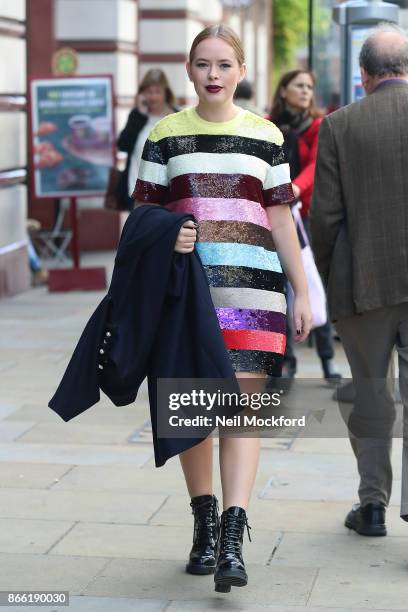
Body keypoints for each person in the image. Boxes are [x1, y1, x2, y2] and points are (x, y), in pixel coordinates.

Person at [132, 24, 312, 592]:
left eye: (224, 65)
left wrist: (301, 291)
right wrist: (171, 237)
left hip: (253, 298)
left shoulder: (266, 136)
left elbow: (281, 219)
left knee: (241, 414)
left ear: (239, 72)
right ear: (189, 70)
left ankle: (233, 536)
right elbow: (140, 220)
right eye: (203, 64)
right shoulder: (165, 134)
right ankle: (203, 522)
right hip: (187, 297)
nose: (213, 74)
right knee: (194, 412)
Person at [310, 23, 408, 538]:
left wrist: (328, 278)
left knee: (371, 394)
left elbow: (324, 217)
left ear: (364, 75)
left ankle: (372, 505)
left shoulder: (339, 125)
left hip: (362, 284)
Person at [269, 70, 342, 382]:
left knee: (310, 285)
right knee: (276, 288)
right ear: (283, 90)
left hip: (304, 215)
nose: (305, 92)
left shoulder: (317, 125)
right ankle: (284, 360)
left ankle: (327, 361)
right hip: (273, 213)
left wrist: (293, 189)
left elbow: (315, 167)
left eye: (310, 87)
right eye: (299, 86)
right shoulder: (268, 125)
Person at [116, 69, 177, 210]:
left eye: (157, 92)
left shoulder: (176, 116)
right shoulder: (137, 116)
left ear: (165, 93)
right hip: (136, 190)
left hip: (168, 191)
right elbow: (123, 145)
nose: (153, 97)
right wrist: (140, 115)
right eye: (149, 92)